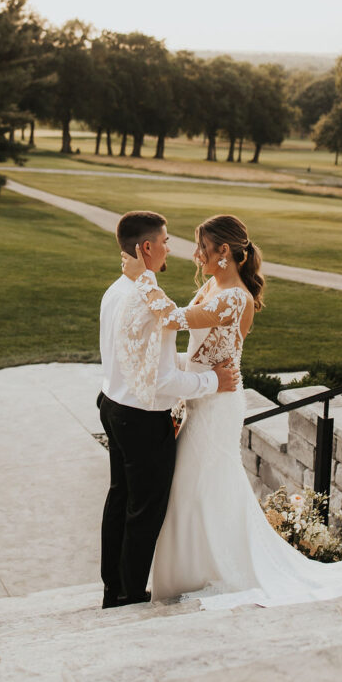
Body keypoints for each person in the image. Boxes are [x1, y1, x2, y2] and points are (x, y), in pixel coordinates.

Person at [122, 213, 342, 608]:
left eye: (202, 248)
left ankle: (214, 572)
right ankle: (197, 570)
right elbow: (194, 348)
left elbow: (172, 317)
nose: (195, 255)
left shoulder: (235, 297)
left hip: (217, 407)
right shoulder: (212, 285)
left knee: (202, 485)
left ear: (224, 251)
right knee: (192, 487)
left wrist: (142, 277)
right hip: (203, 400)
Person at [99, 210, 238, 610]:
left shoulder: (116, 291)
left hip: (113, 405)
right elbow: (160, 382)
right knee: (144, 511)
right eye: (164, 241)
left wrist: (185, 364)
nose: (169, 248)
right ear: (146, 247)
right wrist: (214, 381)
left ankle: (114, 588)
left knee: (119, 501)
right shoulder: (146, 301)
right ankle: (128, 596)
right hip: (142, 419)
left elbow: (136, 359)